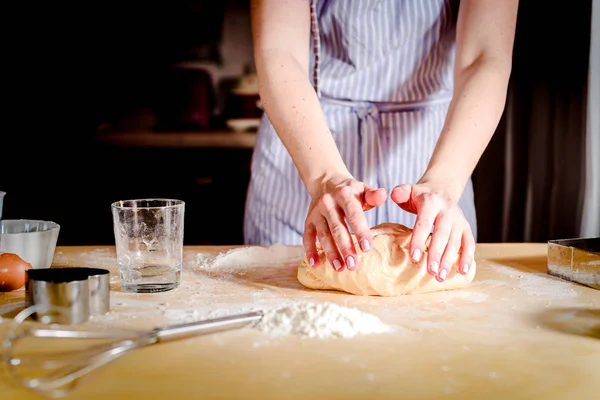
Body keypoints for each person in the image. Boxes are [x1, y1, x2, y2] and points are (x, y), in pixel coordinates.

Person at [244, 0, 518, 283]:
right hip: (306, 145)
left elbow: (485, 57)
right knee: (285, 302)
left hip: (439, 152)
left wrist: (445, 182)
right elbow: (280, 50)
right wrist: (325, 177)